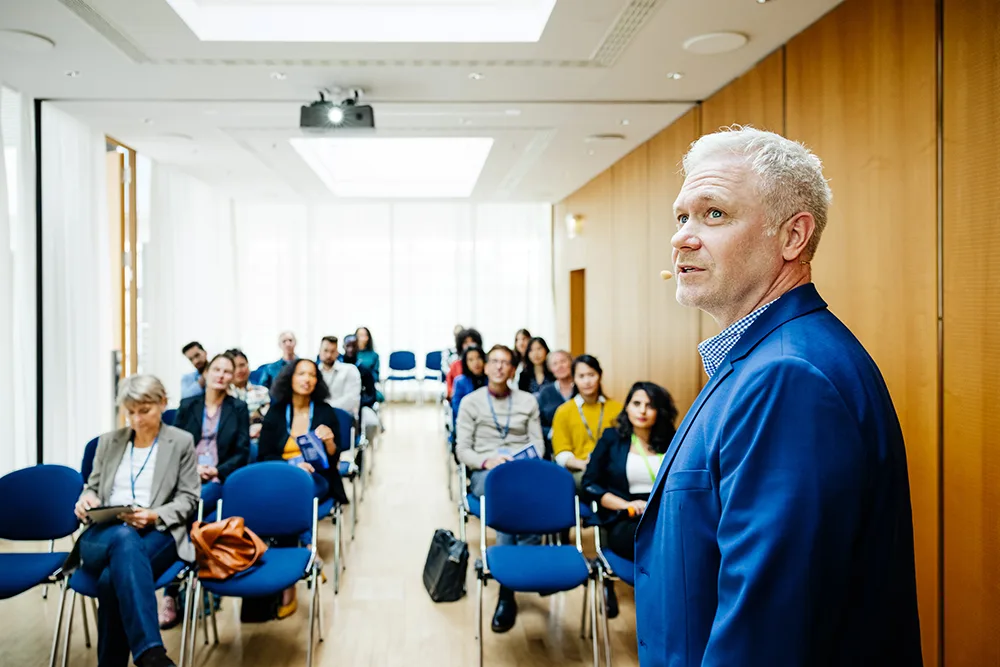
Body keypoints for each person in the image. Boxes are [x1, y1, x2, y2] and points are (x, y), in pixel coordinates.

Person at [634, 127, 922, 666]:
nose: (682, 237)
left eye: (714, 214)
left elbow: (766, 638)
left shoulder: (788, 377)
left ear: (793, 237)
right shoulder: (765, 357)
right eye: (682, 217)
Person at [73, 374, 198, 667]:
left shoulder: (181, 442)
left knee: (109, 581)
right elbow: (91, 486)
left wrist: (155, 514)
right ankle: (151, 655)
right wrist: (86, 499)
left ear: (163, 403)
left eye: (145, 410)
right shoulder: (108, 443)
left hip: (157, 531)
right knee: (123, 537)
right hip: (104, 534)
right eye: (130, 412)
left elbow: (189, 499)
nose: (137, 419)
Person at [455, 344, 543, 634]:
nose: (499, 367)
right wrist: (487, 460)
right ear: (485, 365)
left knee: (526, 493)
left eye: (506, 362)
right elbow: (462, 450)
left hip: (520, 469)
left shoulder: (528, 401)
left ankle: (524, 567)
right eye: (494, 361)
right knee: (506, 497)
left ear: (513, 368)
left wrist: (520, 462)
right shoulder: (470, 401)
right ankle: (508, 588)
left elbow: (538, 445)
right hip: (486, 471)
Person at [162, 353, 250, 627]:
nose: (221, 375)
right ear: (208, 373)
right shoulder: (188, 405)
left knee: (191, 509)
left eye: (227, 371)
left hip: (216, 478)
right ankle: (178, 587)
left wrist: (218, 470)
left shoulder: (238, 408)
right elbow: (172, 445)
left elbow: (243, 451)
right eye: (217, 370)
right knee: (190, 513)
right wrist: (190, 470)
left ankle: (176, 589)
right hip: (186, 476)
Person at [582, 381, 677, 619]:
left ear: (660, 411)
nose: (642, 411)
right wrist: (625, 505)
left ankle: (668, 605)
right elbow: (589, 484)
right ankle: (660, 607)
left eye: (650, 405)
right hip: (625, 516)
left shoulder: (672, 440)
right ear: (627, 407)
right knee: (657, 545)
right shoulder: (612, 438)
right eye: (636, 404)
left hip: (663, 516)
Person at [257, 359, 349, 506]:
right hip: (281, 473)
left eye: (312, 375)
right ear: (290, 378)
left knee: (296, 492)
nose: (307, 379)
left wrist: (329, 441)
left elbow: (333, 461)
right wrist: (292, 465)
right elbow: (264, 455)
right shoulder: (276, 412)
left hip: (317, 475)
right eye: (301, 374)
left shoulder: (325, 412)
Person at [550, 355, 622, 489]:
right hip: (579, 468)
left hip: (612, 467)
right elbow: (561, 452)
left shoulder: (617, 409)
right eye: (581, 376)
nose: (587, 381)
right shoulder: (564, 411)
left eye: (591, 375)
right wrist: (583, 464)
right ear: (574, 379)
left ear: (599, 376)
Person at [343, 334, 381, 444]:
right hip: (340, 405)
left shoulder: (364, 370)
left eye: (353, 346)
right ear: (343, 347)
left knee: (371, 423)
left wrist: (358, 403)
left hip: (361, 406)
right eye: (347, 346)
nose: (350, 349)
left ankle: (361, 448)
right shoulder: (338, 368)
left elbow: (371, 395)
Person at [536, 350, 575, 451]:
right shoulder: (546, 391)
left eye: (563, 361)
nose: (560, 366)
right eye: (555, 364)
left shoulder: (581, 388)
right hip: (553, 446)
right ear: (550, 369)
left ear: (571, 363)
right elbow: (537, 423)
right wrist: (552, 433)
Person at [226, 348, 270, 439]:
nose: (239, 370)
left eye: (242, 365)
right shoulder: (224, 394)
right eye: (234, 366)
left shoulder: (262, 392)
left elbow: (268, 420)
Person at [318, 336, 362, 418]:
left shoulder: (350, 370)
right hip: (318, 417)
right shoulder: (314, 372)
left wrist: (326, 408)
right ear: (319, 351)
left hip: (342, 416)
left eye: (332, 351)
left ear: (337, 352)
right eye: (325, 350)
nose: (328, 355)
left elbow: (351, 399)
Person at [450, 345, 487, 435]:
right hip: (467, 423)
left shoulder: (491, 380)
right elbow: (457, 407)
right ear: (465, 363)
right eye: (470, 360)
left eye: (478, 358)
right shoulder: (460, 382)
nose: (476, 363)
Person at [445, 327, 483, 399]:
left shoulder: (485, 363)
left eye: (473, 341)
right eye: (465, 342)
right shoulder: (455, 365)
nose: (469, 344)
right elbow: (449, 389)